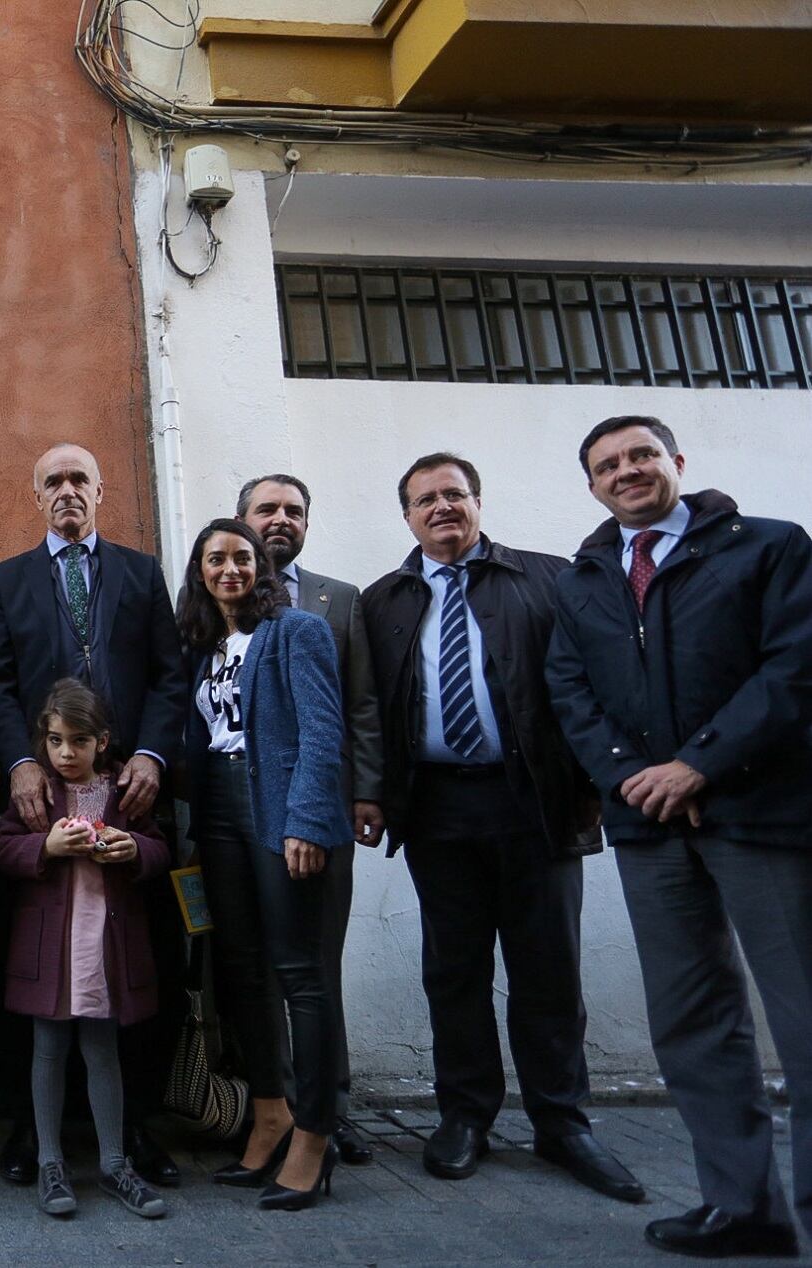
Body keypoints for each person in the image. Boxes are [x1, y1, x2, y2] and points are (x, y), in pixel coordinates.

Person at [547, 416, 812, 1259]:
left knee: (803, 1019)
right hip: (648, 825)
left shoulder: (767, 548)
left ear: (675, 464)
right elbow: (568, 688)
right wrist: (635, 776)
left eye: (640, 456)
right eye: (607, 465)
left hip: (757, 814)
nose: (625, 472)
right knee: (693, 1021)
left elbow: (792, 669)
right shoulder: (585, 576)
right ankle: (743, 1209)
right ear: (590, 484)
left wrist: (697, 766)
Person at [359, 452, 642, 1204]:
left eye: (454, 494)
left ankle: (561, 1122)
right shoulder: (382, 600)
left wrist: (595, 785)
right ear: (407, 517)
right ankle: (464, 1116)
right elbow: (371, 710)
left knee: (547, 969)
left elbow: (592, 684)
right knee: (452, 971)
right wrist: (372, 794)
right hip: (436, 809)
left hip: (535, 804)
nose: (442, 508)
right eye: (426, 500)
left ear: (478, 502)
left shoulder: (548, 578)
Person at [0, 442, 189, 1187]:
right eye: (52, 482)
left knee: (131, 973)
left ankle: (131, 1134)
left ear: (100, 492)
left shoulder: (139, 572)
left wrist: (153, 757)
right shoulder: (4, 582)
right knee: (37, 975)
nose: (67, 491)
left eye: (79, 480)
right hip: (44, 799)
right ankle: (30, 1136)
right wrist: (20, 762)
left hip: (129, 796)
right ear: (36, 496)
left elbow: (170, 676)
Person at [178, 518, 350, 1211]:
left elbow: (321, 730)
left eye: (240, 558)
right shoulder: (207, 644)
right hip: (218, 811)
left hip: (278, 810)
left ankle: (314, 1133)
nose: (228, 569)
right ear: (199, 572)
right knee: (241, 971)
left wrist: (305, 821)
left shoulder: (296, 631)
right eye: (215, 559)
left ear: (262, 567)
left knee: (298, 973)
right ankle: (269, 1110)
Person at [237, 473, 385, 1165]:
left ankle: (330, 1110)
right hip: (240, 811)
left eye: (293, 509)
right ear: (242, 520)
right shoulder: (222, 599)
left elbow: (357, 707)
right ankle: (276, 1107)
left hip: (315, 808)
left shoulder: (336, 601)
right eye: (265, 508)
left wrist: (365, 793)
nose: (279, 519)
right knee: (258, 968)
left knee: (315, 963)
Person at [0, 678, 171, 1219]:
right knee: (48, 1048)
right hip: (52, 944)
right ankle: (50, 1162)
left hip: (105, 943)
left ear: (103, 741)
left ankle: (115, 1164)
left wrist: (132, 847)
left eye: (79, 742)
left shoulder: (122, 793)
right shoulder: (36, 792)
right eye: (55, 741)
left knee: (101, 1048)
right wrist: (44, 845)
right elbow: (1, 848)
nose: (66, 753)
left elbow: (160, 848)